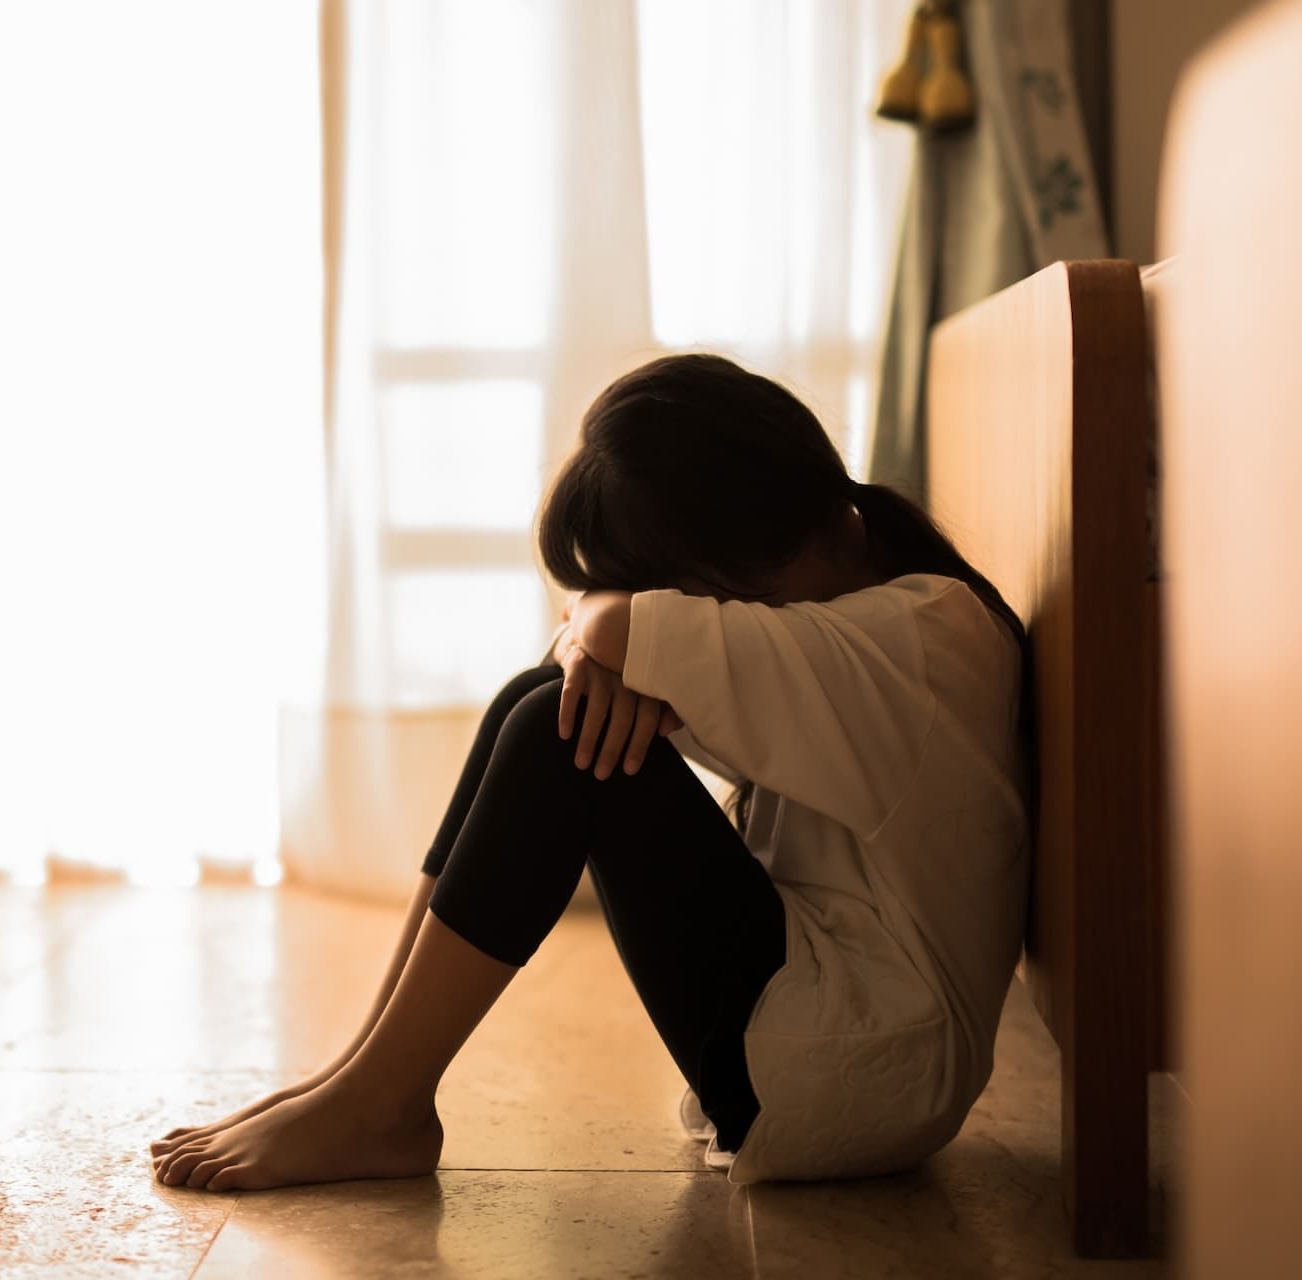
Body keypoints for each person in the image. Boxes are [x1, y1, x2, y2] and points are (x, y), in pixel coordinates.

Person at [149, 353, 1029, 1192]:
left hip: (863, 1065)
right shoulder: (863, 608)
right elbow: (592, 632)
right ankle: (369, 1073)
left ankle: (379, 1101)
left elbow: (606, 628)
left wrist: (605, 626)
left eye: (686, 593)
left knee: (556, 730)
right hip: (834, 1015)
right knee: (536, 698)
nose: (689, 614)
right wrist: (599, 634)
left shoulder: (909, 637)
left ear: (764, 553)